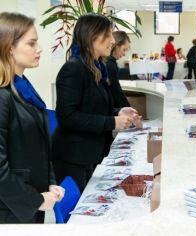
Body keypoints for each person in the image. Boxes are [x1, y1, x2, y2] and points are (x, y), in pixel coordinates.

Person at [52, 14, 140, 192]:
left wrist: (118, 112)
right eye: (108, 35)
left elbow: (94, 108)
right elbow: (67, 116)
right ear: (92, 36)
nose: (113, 40)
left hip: (91, 151)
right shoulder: (74, 68)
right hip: (74, 156)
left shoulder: (96, 67)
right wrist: (112, 122)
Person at [0, 12, 64, 223]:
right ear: (9, 48)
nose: (39, 49)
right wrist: (33, 200)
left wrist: (49, 183)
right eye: (31, 43)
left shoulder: (23, 86)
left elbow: (40, 145)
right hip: (10, 209)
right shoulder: (2, 95)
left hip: (31, 198)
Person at [106, 31, 132, 109]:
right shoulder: (109, 64)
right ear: (116, 46)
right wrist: (129, 109)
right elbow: (116, 91)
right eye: (124, 49)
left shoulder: (110, 62)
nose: (124, 54)